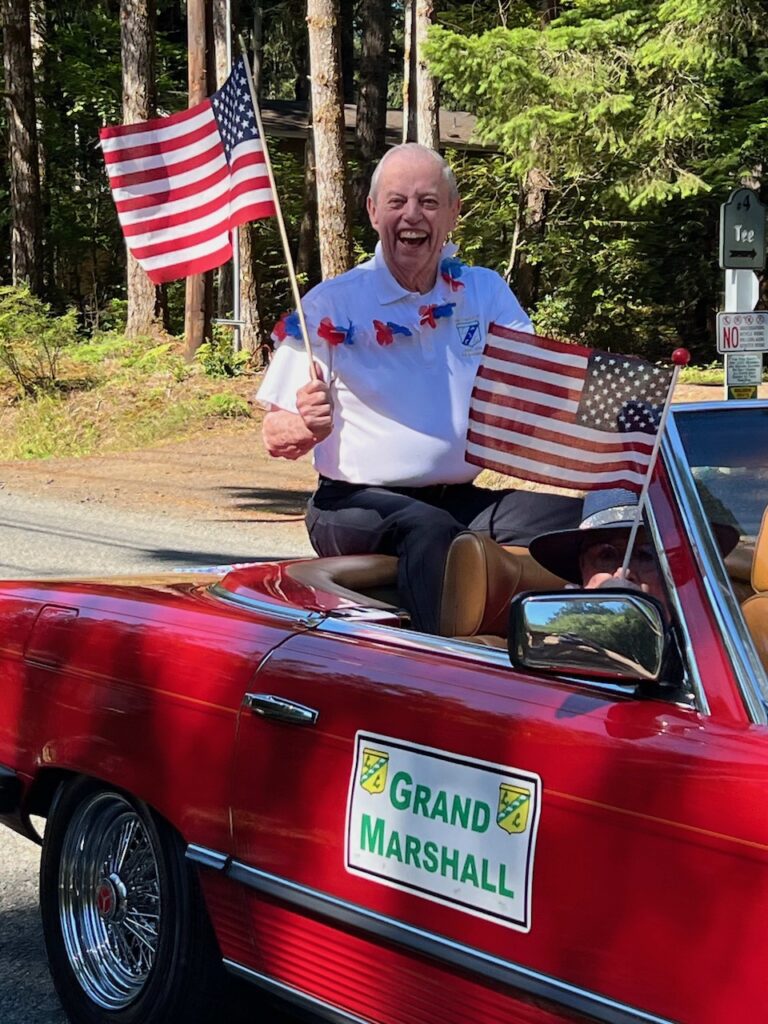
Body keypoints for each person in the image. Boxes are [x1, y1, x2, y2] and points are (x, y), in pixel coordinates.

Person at [257, 142, 580, 633]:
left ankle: (600, 642)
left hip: (460, 500)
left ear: (453, 213)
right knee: (432, 531)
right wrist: (303, 425)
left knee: (597, 522)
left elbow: (537, 381)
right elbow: (275, 434)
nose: (412, 215)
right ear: (373, 212)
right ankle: (442, 668)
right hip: (354, 505)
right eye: (397, 201)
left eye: (429, 202)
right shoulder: (329, 306)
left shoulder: (483, 292)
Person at [528, 488, 739, 610]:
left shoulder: (711, 646)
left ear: (679, 573)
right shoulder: (555, 639)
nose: (623, 573)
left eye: (646, 555)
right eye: (606, 556)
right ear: (582, 570)